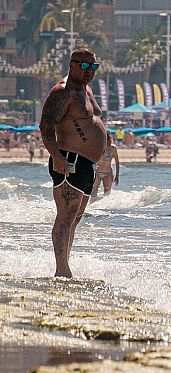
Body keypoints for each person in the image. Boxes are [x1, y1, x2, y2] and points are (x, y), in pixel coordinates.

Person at [39, 49, 109, 278]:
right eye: (85, 67)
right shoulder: (63, 91)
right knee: (66, 214)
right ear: (72, 65)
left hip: (87, 164)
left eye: (94, 68)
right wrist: (57, 158)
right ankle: (61, 270)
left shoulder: (86, 90)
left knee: (76, 216)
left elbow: (94, 120)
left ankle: (65, 264)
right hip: (69, 160)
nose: (90, 72)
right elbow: (46, 126)